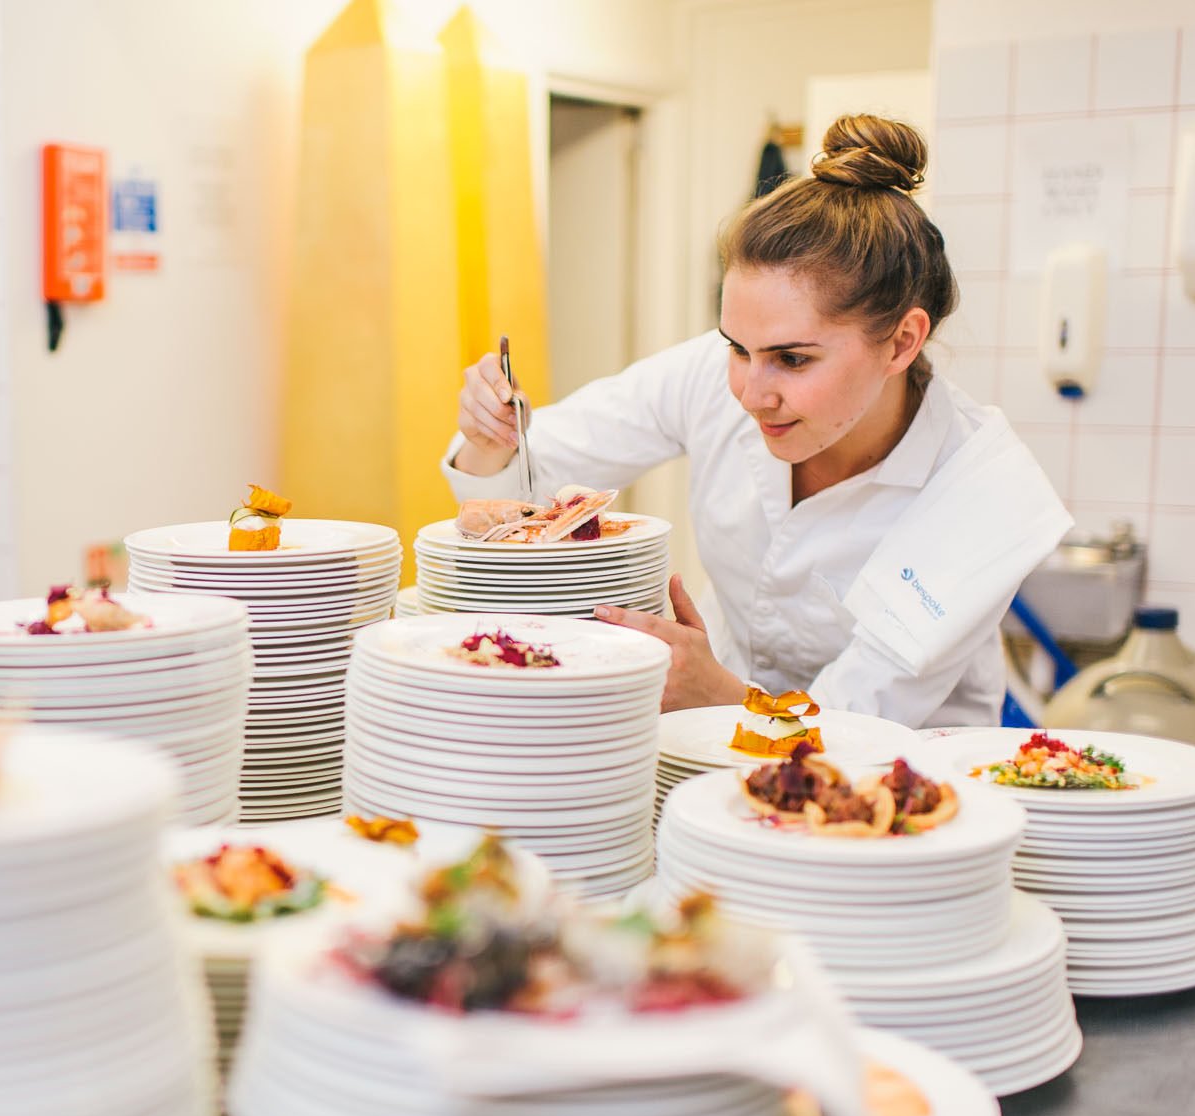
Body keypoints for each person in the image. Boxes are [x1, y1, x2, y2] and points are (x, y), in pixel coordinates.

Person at [441, 114, 1071, 728]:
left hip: (901, 787)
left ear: (902, 342)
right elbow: (519, 490)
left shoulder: (984, 488)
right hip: (714, 765)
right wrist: (490, 438)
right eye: (736, 347)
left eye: (792, 359)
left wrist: (723, 697)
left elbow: (860, 722)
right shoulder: (711, 377)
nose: (749, 391)